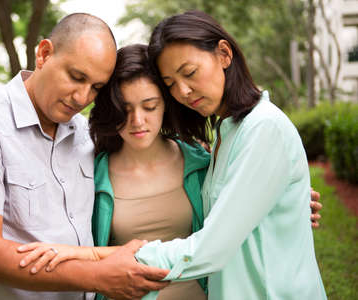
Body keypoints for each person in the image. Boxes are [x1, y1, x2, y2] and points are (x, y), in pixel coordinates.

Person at [16, 41, 324, 300]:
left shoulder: (202, 163)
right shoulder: (91, 171)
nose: (137, 121)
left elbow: (232, 215)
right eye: (125, 109)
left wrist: (285, 199)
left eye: (149, 106)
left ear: (166, 104)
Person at [0, 13, 169, 300]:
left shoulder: (86, 134)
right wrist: (98, 276)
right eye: (76, 77)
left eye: (96, 87)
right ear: (44, 54)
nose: (83, 98)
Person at [131, 10, 327, 299]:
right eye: (170, 84)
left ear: (224, 54)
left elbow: (212, 249)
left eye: (190, 73)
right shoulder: (226, 130)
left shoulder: (263, 127)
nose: (183, 91)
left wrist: (115, 257)